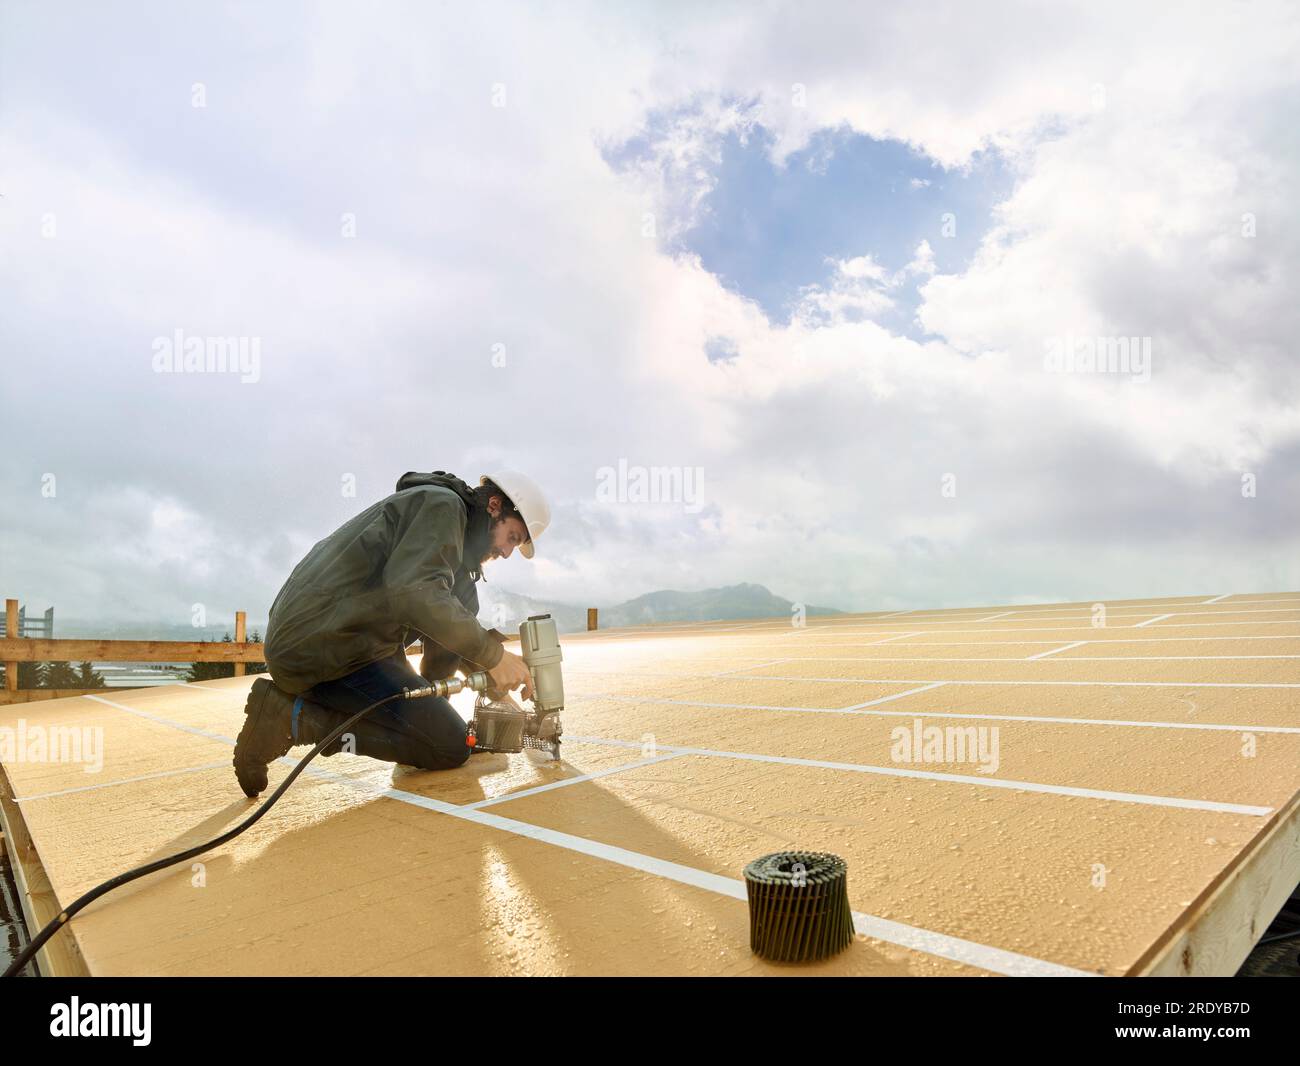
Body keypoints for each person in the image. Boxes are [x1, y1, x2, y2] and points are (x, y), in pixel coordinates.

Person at [231, 469, 550, 798]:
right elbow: (416, 592)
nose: (507, 553)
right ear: (495, 506)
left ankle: (432, 734)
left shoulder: (454, 559)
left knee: (445, 737)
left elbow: (447, 639)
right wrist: (493, 656)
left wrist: (494, 693)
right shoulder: (442, 507)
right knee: (450, 747)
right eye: (512, 537)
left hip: (353, 643)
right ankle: (290, 717)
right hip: (319, 643)